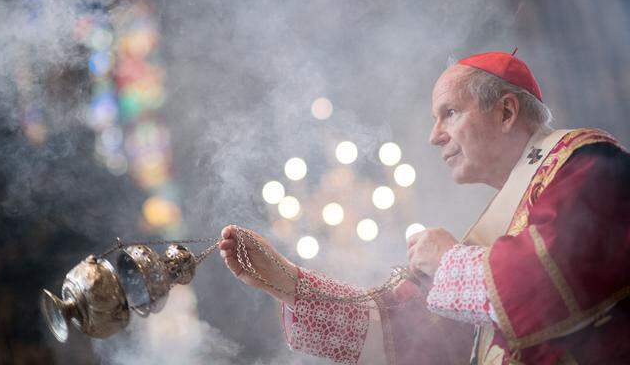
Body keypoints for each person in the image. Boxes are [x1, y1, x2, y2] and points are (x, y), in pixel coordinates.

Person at [218, 51, 630, 365]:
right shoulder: (505, 217)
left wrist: (449, 260)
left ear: (506, 111)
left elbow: (545, 283)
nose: (434, 136)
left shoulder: (590, 165)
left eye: (449, 113)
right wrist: (287, 282)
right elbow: (412, 335)